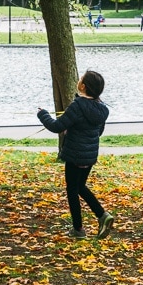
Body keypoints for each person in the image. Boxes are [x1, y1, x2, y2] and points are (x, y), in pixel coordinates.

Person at [37, 70, 114, 239]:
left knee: (72, 190)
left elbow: (56, 126)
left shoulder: (77, 106)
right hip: (89, 155)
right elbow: (98, 131)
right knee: (80, 187)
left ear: (83, 86)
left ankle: (78, 229)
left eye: (80, 79)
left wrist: (43, 115)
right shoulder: (102, 109)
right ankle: (102, 215)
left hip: (74, 155)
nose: (78, 80)